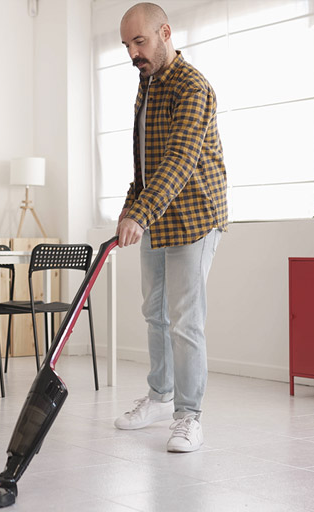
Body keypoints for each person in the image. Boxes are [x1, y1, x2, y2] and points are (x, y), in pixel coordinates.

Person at [113, 3, 228, 453]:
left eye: (139, 42)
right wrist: (129, 209)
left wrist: (141, 214)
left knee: (185, 321)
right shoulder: (145, 86)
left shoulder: (192, 86)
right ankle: (160, 396)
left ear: (165, 32)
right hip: (157, 217)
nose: (132, 53)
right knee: (154, 313)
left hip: (195, 218)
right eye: (126, 45)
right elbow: (144, 166)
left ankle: (189, 415)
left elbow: (180, 160)